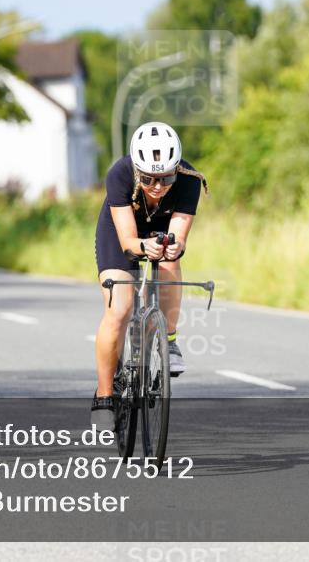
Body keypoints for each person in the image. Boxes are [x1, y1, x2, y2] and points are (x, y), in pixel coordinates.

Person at [91, 122, 208, 429]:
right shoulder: (119, 174)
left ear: (177, 170)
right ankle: (104, 396)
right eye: (149, 179)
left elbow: (179, 234)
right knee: (119, 309)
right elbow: (129, 242)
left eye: (166, 177)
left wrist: (173, 246)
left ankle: (168, 339)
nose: (158, 186)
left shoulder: (190, 180)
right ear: (137, 170)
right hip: (123, 231)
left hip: (160, 229)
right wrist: (143, 246)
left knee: (170, 261)